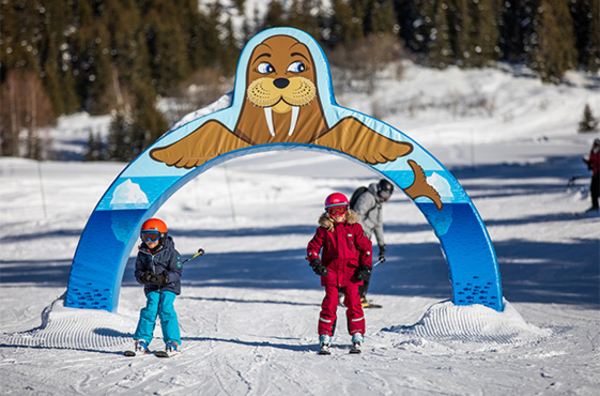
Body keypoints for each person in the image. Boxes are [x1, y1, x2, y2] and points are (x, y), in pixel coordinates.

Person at [306, 192, 373, 354]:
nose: (338, 215)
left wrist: (365, 266)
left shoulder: (355, 228)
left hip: (351, 272)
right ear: (327, 213)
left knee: (354, 302)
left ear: (347, 210)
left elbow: (366, 248)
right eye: (333, 211)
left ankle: (357, 334)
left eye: (341, 210)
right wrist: (316, 262)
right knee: (330, 303)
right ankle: (325, 335)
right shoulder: (324, 230)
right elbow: (313, 248)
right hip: (331, 272)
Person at [129, 218, 183, 356]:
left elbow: (177, 272)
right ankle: (142, 341)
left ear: (162, 237)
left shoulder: (172, 253)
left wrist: (164, 277)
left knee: (166, 309)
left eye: (153, 237)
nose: (149, 241)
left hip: (168, 286)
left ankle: (173, 342)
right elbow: (138, 272)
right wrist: (144, 277)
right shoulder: (143, 253)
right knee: (150, 310)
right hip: (152, 287)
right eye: (145, 236)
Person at [352, 179, 394, 306]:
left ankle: (357, 296)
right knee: (362, 267)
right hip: (357, 238)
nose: (386, 198)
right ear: (380, 190)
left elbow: (378, 225)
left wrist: (381, 244)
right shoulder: (368, 198)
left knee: (363, 267)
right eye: (385, 194)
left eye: (388, 196)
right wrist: (361, 237)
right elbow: (356, 217)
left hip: (364, 239)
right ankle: (356, 298)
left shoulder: (378, 202)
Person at [583, 138, 600, 212]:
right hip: (594, 174)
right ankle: (595, 206)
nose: (596, 146)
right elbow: (591, 162)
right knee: (593, 190)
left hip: (599, 173)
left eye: (597, 145)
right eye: (595, 145)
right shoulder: (592, 153)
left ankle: (595, 206)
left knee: (597, 189)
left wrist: (595, 167)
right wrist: (588, 163)